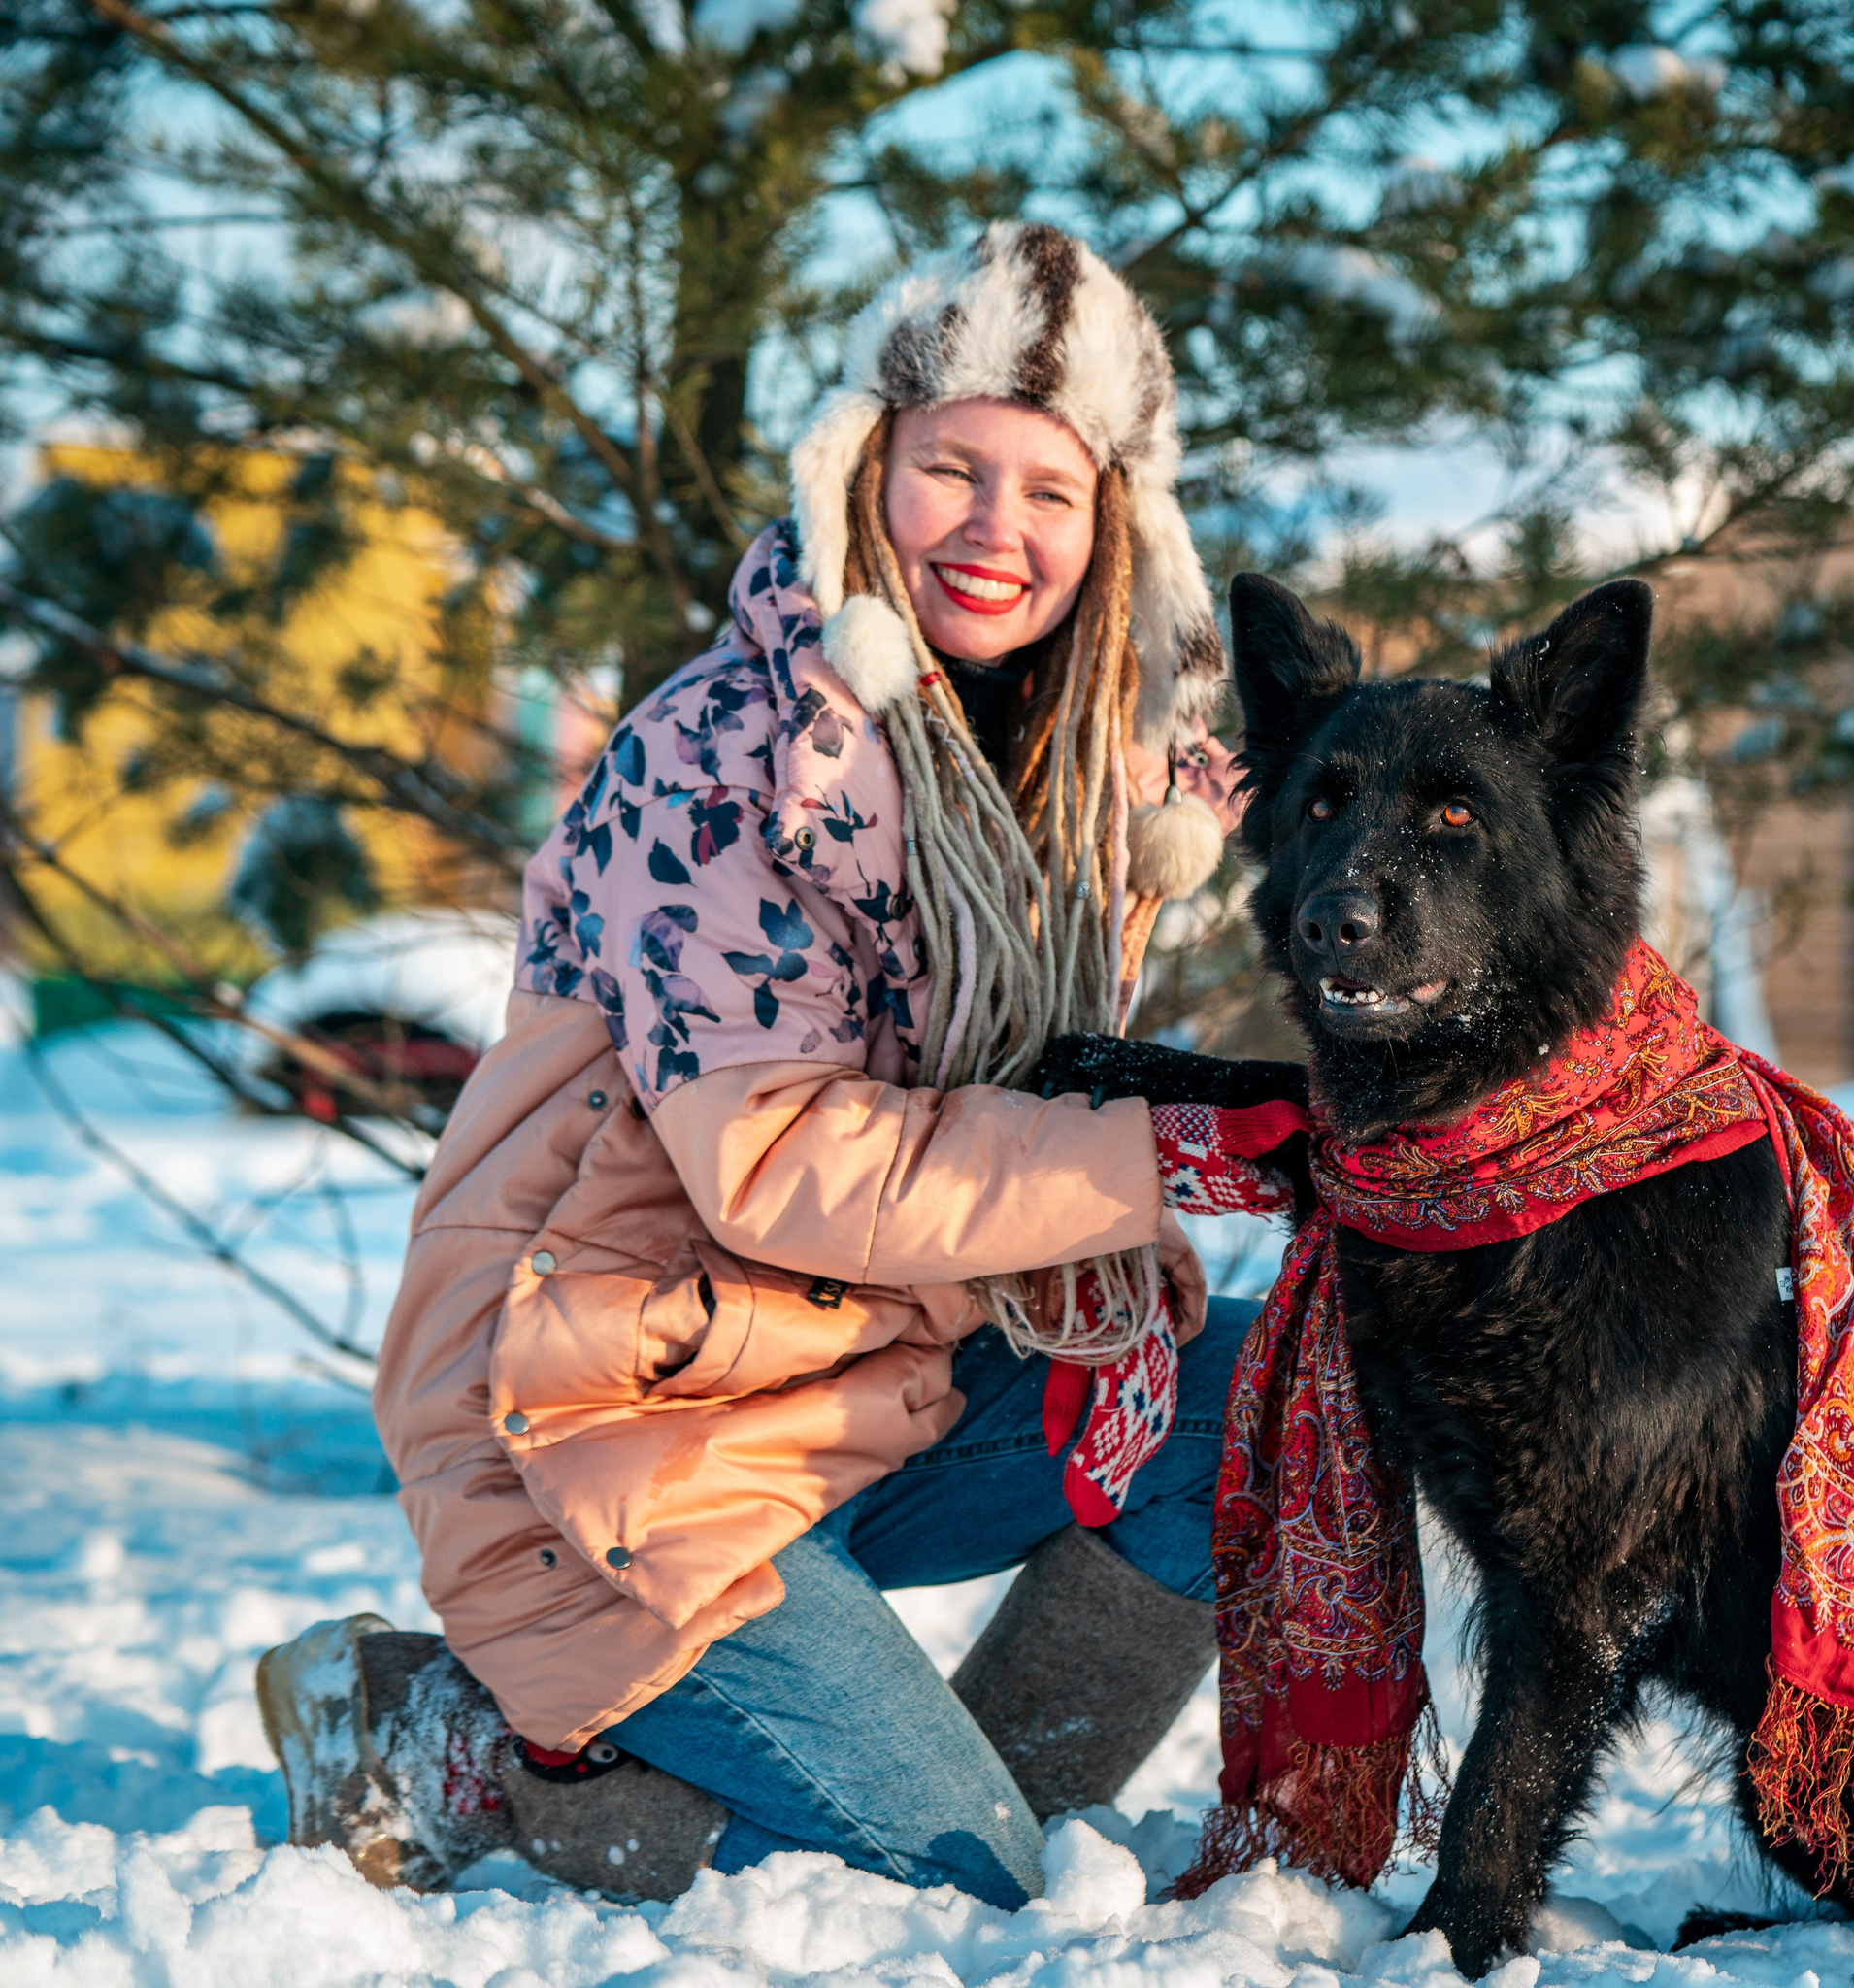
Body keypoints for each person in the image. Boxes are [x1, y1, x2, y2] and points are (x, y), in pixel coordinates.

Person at [254, 221, 1287, 1909]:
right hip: (607, 1428)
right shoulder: (733, 756)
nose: (996, 532)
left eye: (1052, 494)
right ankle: (437, 1741)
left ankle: (973, 1840)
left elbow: (1012, 1122)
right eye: (953, 468)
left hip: (854, 1389)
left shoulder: (1056, 784)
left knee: (1257, 1400)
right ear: (864, 472)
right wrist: (1172, 1144)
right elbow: (783, 1164)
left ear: (1117, 535)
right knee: (953, 1886)